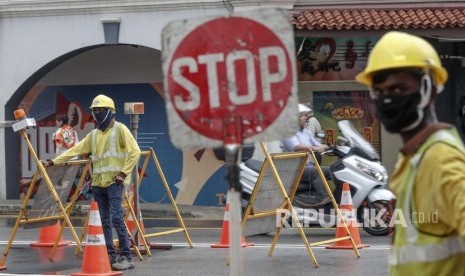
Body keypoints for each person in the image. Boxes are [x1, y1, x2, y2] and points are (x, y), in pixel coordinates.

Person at [356, 31, 465, 275]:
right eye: (379, 91)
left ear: (429, 88)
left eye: (398, 88)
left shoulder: (441, 160)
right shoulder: (414, 158)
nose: (386, 99)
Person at [41, 94, 141, 271]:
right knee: (103, 221)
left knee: (117, 218)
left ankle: (126, 256)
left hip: (115, 183)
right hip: (98, 184)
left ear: (110, 111)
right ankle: (110, 254)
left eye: (100, 110)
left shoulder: (120, 129)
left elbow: (135, 152)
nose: (97, 113)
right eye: (95, 110)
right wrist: (53, 162)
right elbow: (76, 150)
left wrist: (123, 173)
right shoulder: (93, 135)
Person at [280, 103, 330, 205]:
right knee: (315, 172)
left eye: (305, 115)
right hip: (294, 168)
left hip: (308, 166)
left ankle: (339, 197)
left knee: (333, 169)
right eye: (302, 115)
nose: (305, 118)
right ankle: (324, 198)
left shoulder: (305, 132)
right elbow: (296, 147)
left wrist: (332, 148)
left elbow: (317, 144)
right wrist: (314, 148)